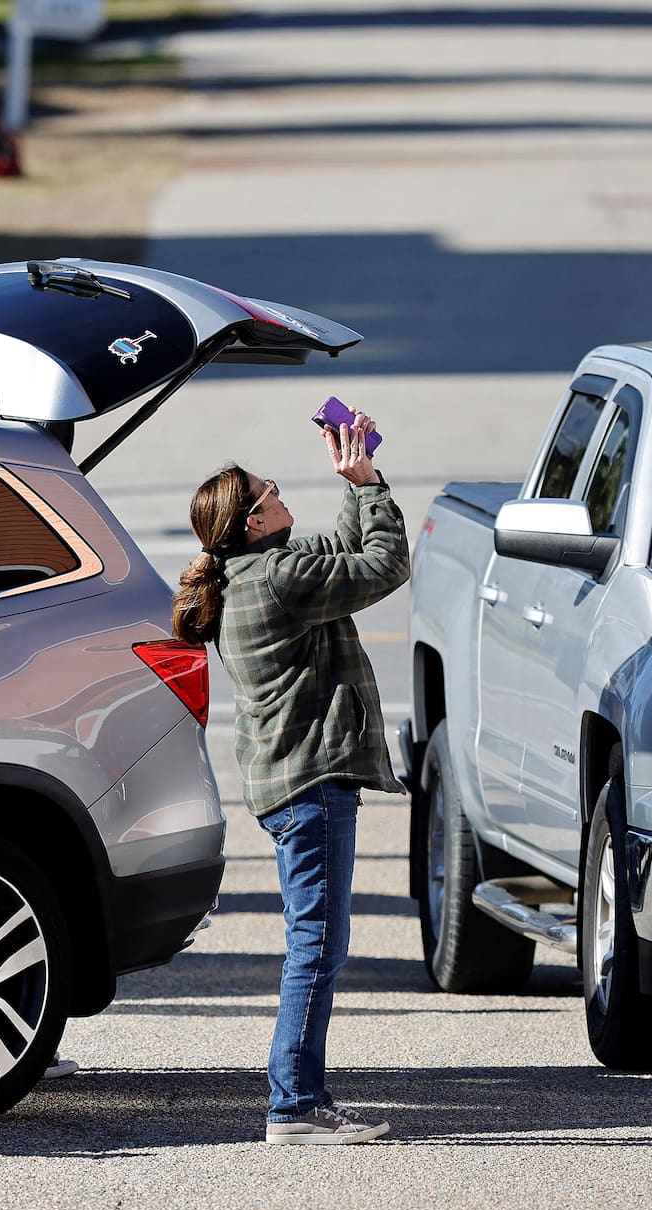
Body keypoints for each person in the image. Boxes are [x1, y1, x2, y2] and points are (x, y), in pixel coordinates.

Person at [173, 412, 410, 1145]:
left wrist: (356, 481)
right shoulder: (280, 577)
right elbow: (383, 565)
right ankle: (296, 1104)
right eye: (271, 493)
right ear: (251, 522)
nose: (281, 495)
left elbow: (340, 549)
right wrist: (369, 487)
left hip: (290, 787)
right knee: (317, 946)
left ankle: (301, 1099)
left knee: (315, 942)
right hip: (312, 785)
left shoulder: (255, 572)